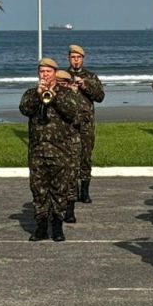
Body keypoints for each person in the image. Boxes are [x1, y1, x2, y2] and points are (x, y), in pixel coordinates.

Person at [20, 58, 80, 242]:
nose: (44, 75)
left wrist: (54, 97)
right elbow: (24, 109)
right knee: (39, 190)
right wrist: (38, 96)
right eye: (41, 71)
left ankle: (57, 225)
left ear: (55, 72)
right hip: (38, 152)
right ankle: (41, 226)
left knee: (59, 190)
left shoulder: (66, 93)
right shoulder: (31, 93)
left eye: (48, 71)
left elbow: (71, 111)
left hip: (60, 151)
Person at [66, 44, 105, 204]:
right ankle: (72, 190)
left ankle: (85, 191)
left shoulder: (90, 76)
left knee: (85, 157)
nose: (76, 61)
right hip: (68, 123)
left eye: (78, 58)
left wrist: (85, 86)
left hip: (86, 124)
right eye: (73, 57)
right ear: (68, 58)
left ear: (83, 59)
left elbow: (100, 96)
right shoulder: (63, 75)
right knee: (69, 157)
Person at [55, 69, 84, 225]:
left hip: (71, 142)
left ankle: (70, 210)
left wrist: (72, 95)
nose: (60, 87)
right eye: (57, 83)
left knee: (71, 177)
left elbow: (78, 119)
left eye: (63, 84)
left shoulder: (73, 98)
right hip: (55, 143)